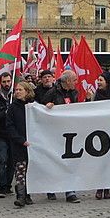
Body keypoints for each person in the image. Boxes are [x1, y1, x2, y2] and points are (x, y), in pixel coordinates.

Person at [42, 70, 81, 203]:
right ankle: (51, 188)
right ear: (68, 81)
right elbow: (40, 109)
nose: (76, 82)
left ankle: (70, 191)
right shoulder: (52, 92)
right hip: (54, 133)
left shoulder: (75, 93)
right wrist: (47, 107)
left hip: (70, 132)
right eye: (74, 80)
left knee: (70, 161)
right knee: (54, 161)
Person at [86, 71, 110, 200]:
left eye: (101, 80)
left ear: (107, 83)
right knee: (99, 160)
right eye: (98, 79)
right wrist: (87, 99)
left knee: (109, 161)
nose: (98, 82)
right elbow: (87, 110)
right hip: (97, 131)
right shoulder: (94, 95)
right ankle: (99, 187)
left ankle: (107, 187)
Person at [7, 81, 35, 207]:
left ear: (27, 91)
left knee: (29, 170)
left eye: (20, 90)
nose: (17, 92)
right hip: (19, 144)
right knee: (20, 170)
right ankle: (21, 196)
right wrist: (20, 140)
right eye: (16, 90)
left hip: (32, 144)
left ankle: (28, 194)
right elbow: (10, 126)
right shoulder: (12, 108)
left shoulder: (33, 106)